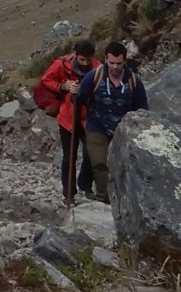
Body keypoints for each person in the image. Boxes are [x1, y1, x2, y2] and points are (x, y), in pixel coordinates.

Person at [72, 40, 147, 202]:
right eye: (111, 63)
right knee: (99, 163)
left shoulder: (134, 81)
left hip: (122, 130)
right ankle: (103, 196)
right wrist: (75, 97)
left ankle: (121, 197)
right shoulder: (94, 76)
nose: (115, 67)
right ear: (105, 59)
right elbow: (80, 98)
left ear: (125, 61)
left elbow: (142, 109)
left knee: (119, 165)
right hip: (96, 126)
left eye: (119, 63)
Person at [36, 40, 98, 206]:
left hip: (87, 117)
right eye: (82, 60)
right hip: (67, 117)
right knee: (69, 156)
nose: (85, 64)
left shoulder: (96, 66)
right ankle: (68, 193)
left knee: (91, 153)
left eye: (88, 60)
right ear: (76, 55)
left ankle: (85, 185)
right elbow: (46, 80)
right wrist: (63, 86)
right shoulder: (61, 65)